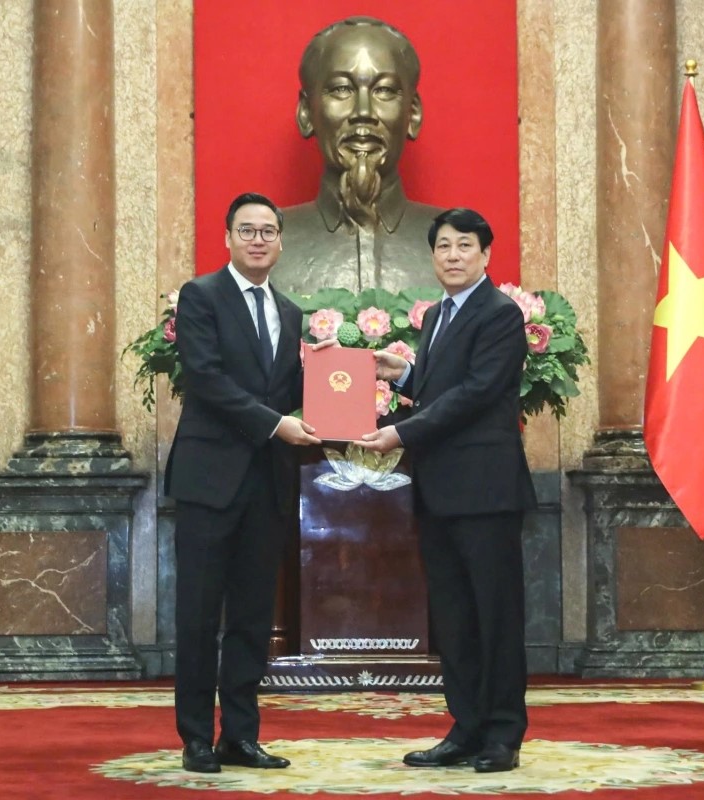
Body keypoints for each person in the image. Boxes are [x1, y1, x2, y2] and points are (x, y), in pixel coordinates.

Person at [355, 208, 535, 773]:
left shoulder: (500, 314)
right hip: (439, 490)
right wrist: (403, 374)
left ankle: (502, 734)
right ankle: (466, 727)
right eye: (444, 246)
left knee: (494, 615)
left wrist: (401, 433)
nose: (453, 255)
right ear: (433, 255)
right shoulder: (436, 315)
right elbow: (443, 389)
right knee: (453, 618)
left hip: (486, 491)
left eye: (464, 245)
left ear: (486, 254)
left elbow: (477, 393)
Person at [166, 192, 322, 774]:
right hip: (210, 481)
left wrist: (327, 374)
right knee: (200, 615)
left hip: (267, 483)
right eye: (247, 230)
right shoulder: (201, 295)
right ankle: (195, 738)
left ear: (281, 242)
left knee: (254, 618)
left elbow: (280, 390)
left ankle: (240, 735)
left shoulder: (289, 311)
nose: (258, 240)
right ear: (228, 238)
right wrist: (275, 424)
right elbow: (206, 378)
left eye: (268, 231)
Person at [271, 16, 443, 294]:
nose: (363, 111)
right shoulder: (263, 245)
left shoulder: (459, 243)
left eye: (384, 90)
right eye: (342, 89)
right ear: (306, 112)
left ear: (412, 114)